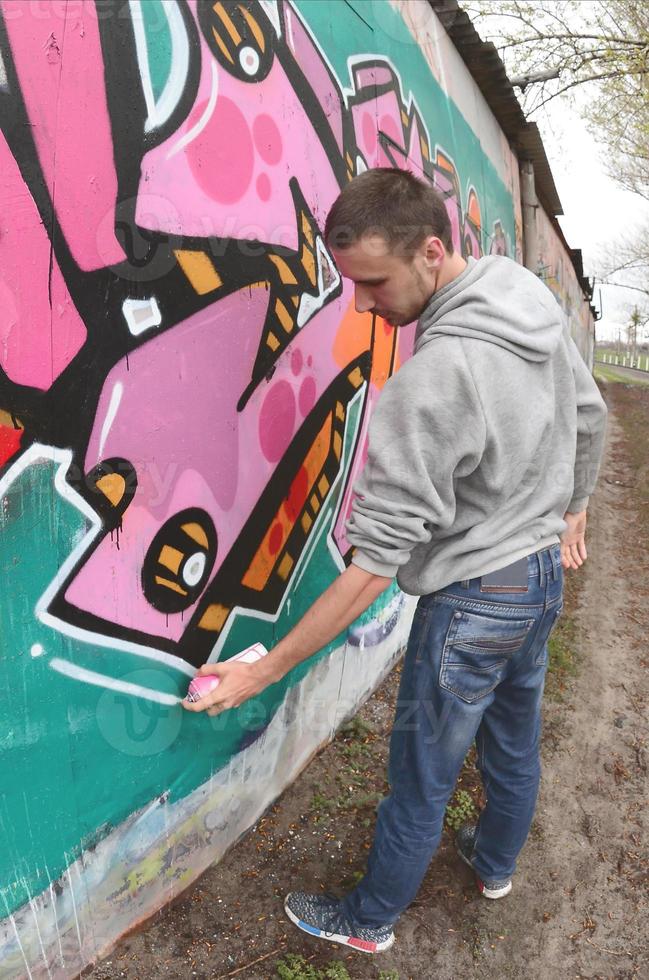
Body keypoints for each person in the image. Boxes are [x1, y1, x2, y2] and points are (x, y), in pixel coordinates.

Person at [183, 168, 608, 955]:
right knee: (513, 740)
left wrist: (265, 667)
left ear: (431, 251)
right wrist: (572, 508)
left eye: (373, 281)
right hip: (539, 579)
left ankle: (369, 920)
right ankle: (493, 865)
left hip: (474, 602)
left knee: (422, 776)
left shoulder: (433, 379)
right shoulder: (522, 295)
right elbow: (590, 413)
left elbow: (373, 565)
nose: (364, 303)